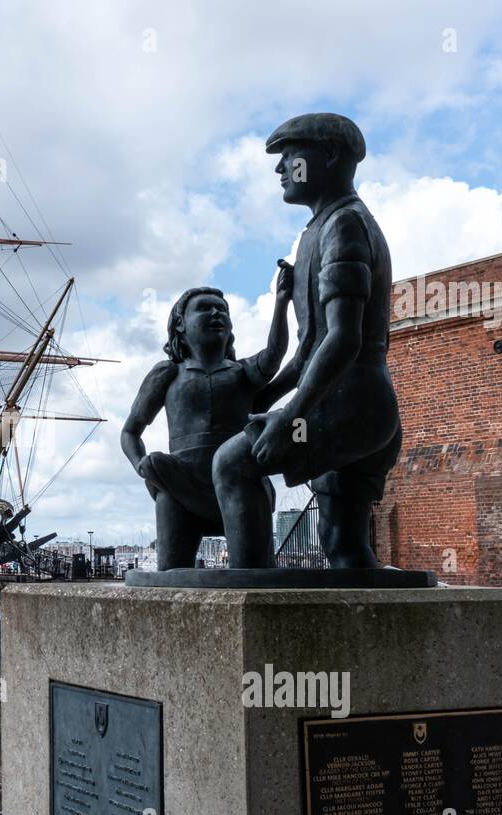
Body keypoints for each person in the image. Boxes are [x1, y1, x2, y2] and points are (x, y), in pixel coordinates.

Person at [212, 113, 401, 569]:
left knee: (232, 464)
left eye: (291, 157)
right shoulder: (319, 230)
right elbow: (308, 350)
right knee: (344, 547)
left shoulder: (345, 226)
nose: (281, 169)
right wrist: (264, 395)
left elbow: (343, 340)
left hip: (351, 405)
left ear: (330, 156)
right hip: (362, 407)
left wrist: (288, 417)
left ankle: (253, 591)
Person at [122, 276, 290, 570]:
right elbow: (130, 431)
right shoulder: (168, 374)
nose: (216, 314)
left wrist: (281, 302)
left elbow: (274, 356)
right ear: (180, 325)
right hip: (180, 484)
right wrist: (140, 464)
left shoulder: (242, 373)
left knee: (253, 575)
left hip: (239, 483)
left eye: (222, 310)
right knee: (172, 575)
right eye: (205, 308)